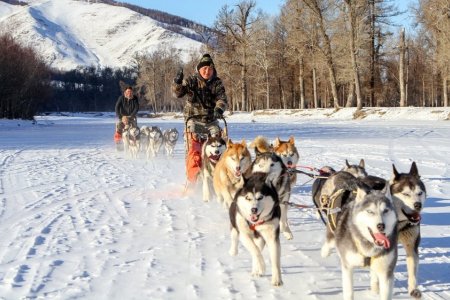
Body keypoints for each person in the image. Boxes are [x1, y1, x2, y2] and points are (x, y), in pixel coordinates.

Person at [172, 53, 228, 183]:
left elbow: (222, 98)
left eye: (210, 69)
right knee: (193, 145)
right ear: (199, 69)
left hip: (211, 119)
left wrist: (219, 108)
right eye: (204, 68)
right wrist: (177, 82)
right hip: (193, 119)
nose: (207, 71)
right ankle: (193, 177)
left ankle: (217, 176)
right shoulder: (191, 80)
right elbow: (178, 93)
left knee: (219, 143)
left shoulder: (217, 83)